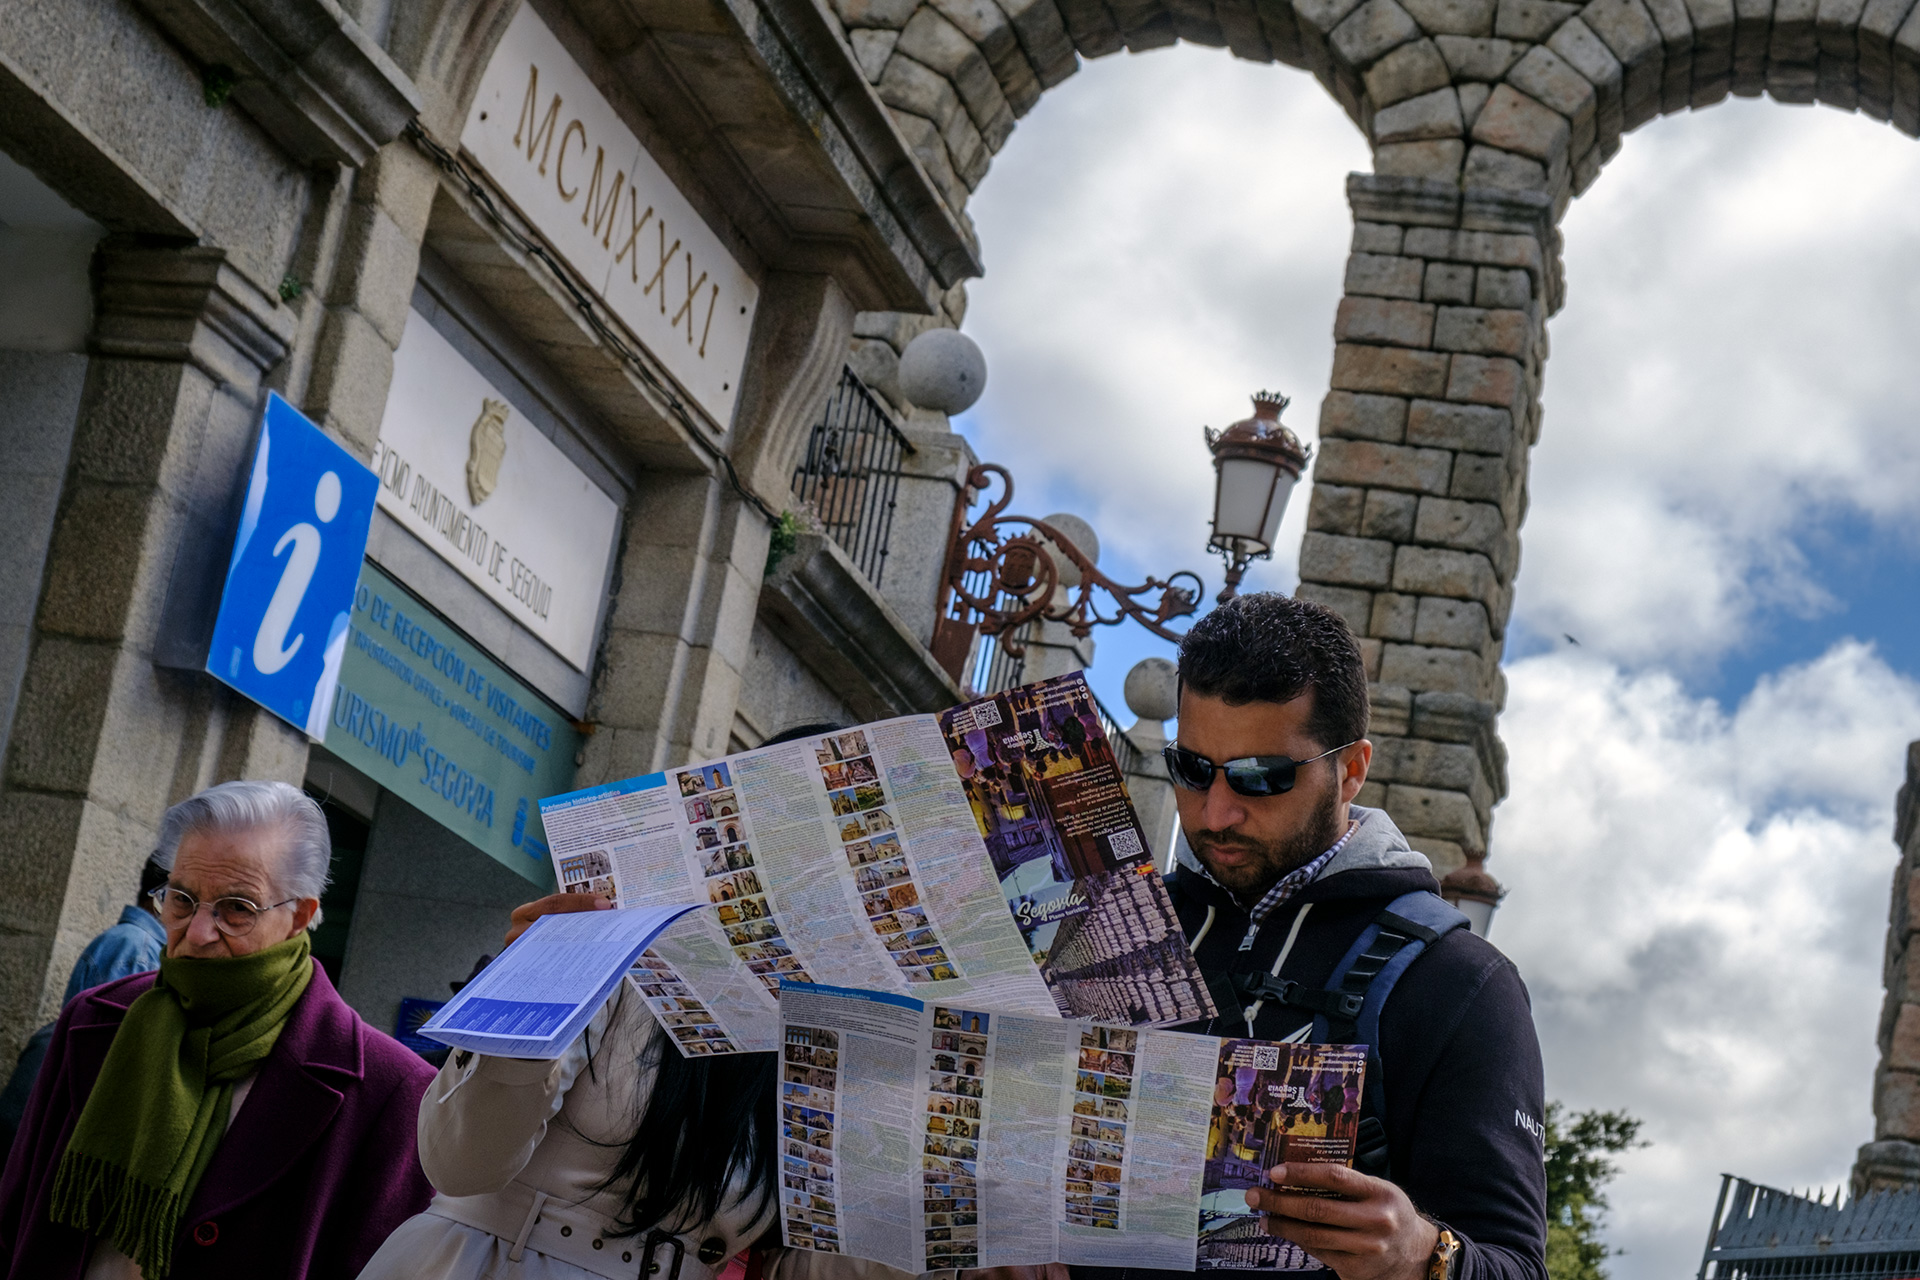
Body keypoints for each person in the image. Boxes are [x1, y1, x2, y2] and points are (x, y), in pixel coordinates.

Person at [1083, 592, 1547, 1280]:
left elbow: (1515, 1267)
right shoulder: (1119, 921)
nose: (1216, 811)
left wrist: (1422, 1255)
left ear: (1351, 770)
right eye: (1191, 769)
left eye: (1260, 778)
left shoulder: (1460, 984)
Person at [360, 722, 900, 1280]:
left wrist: (949, 1231)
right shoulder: (621, 940)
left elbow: (798, 1267)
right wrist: (528, 1002)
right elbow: (459, 1162)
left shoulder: (829, 1037)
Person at [0, 780, 437, 1279]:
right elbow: (14, 1216)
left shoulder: (390, 1091)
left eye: (237, 909)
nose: (199, 933)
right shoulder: (96, 1018)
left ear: (300, 916)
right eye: (181, 899)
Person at [0, 856, 172, 1161]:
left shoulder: (135, 942)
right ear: (162, 895)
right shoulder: (138, 947)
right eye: (187, 897)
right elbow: (105, 1053)